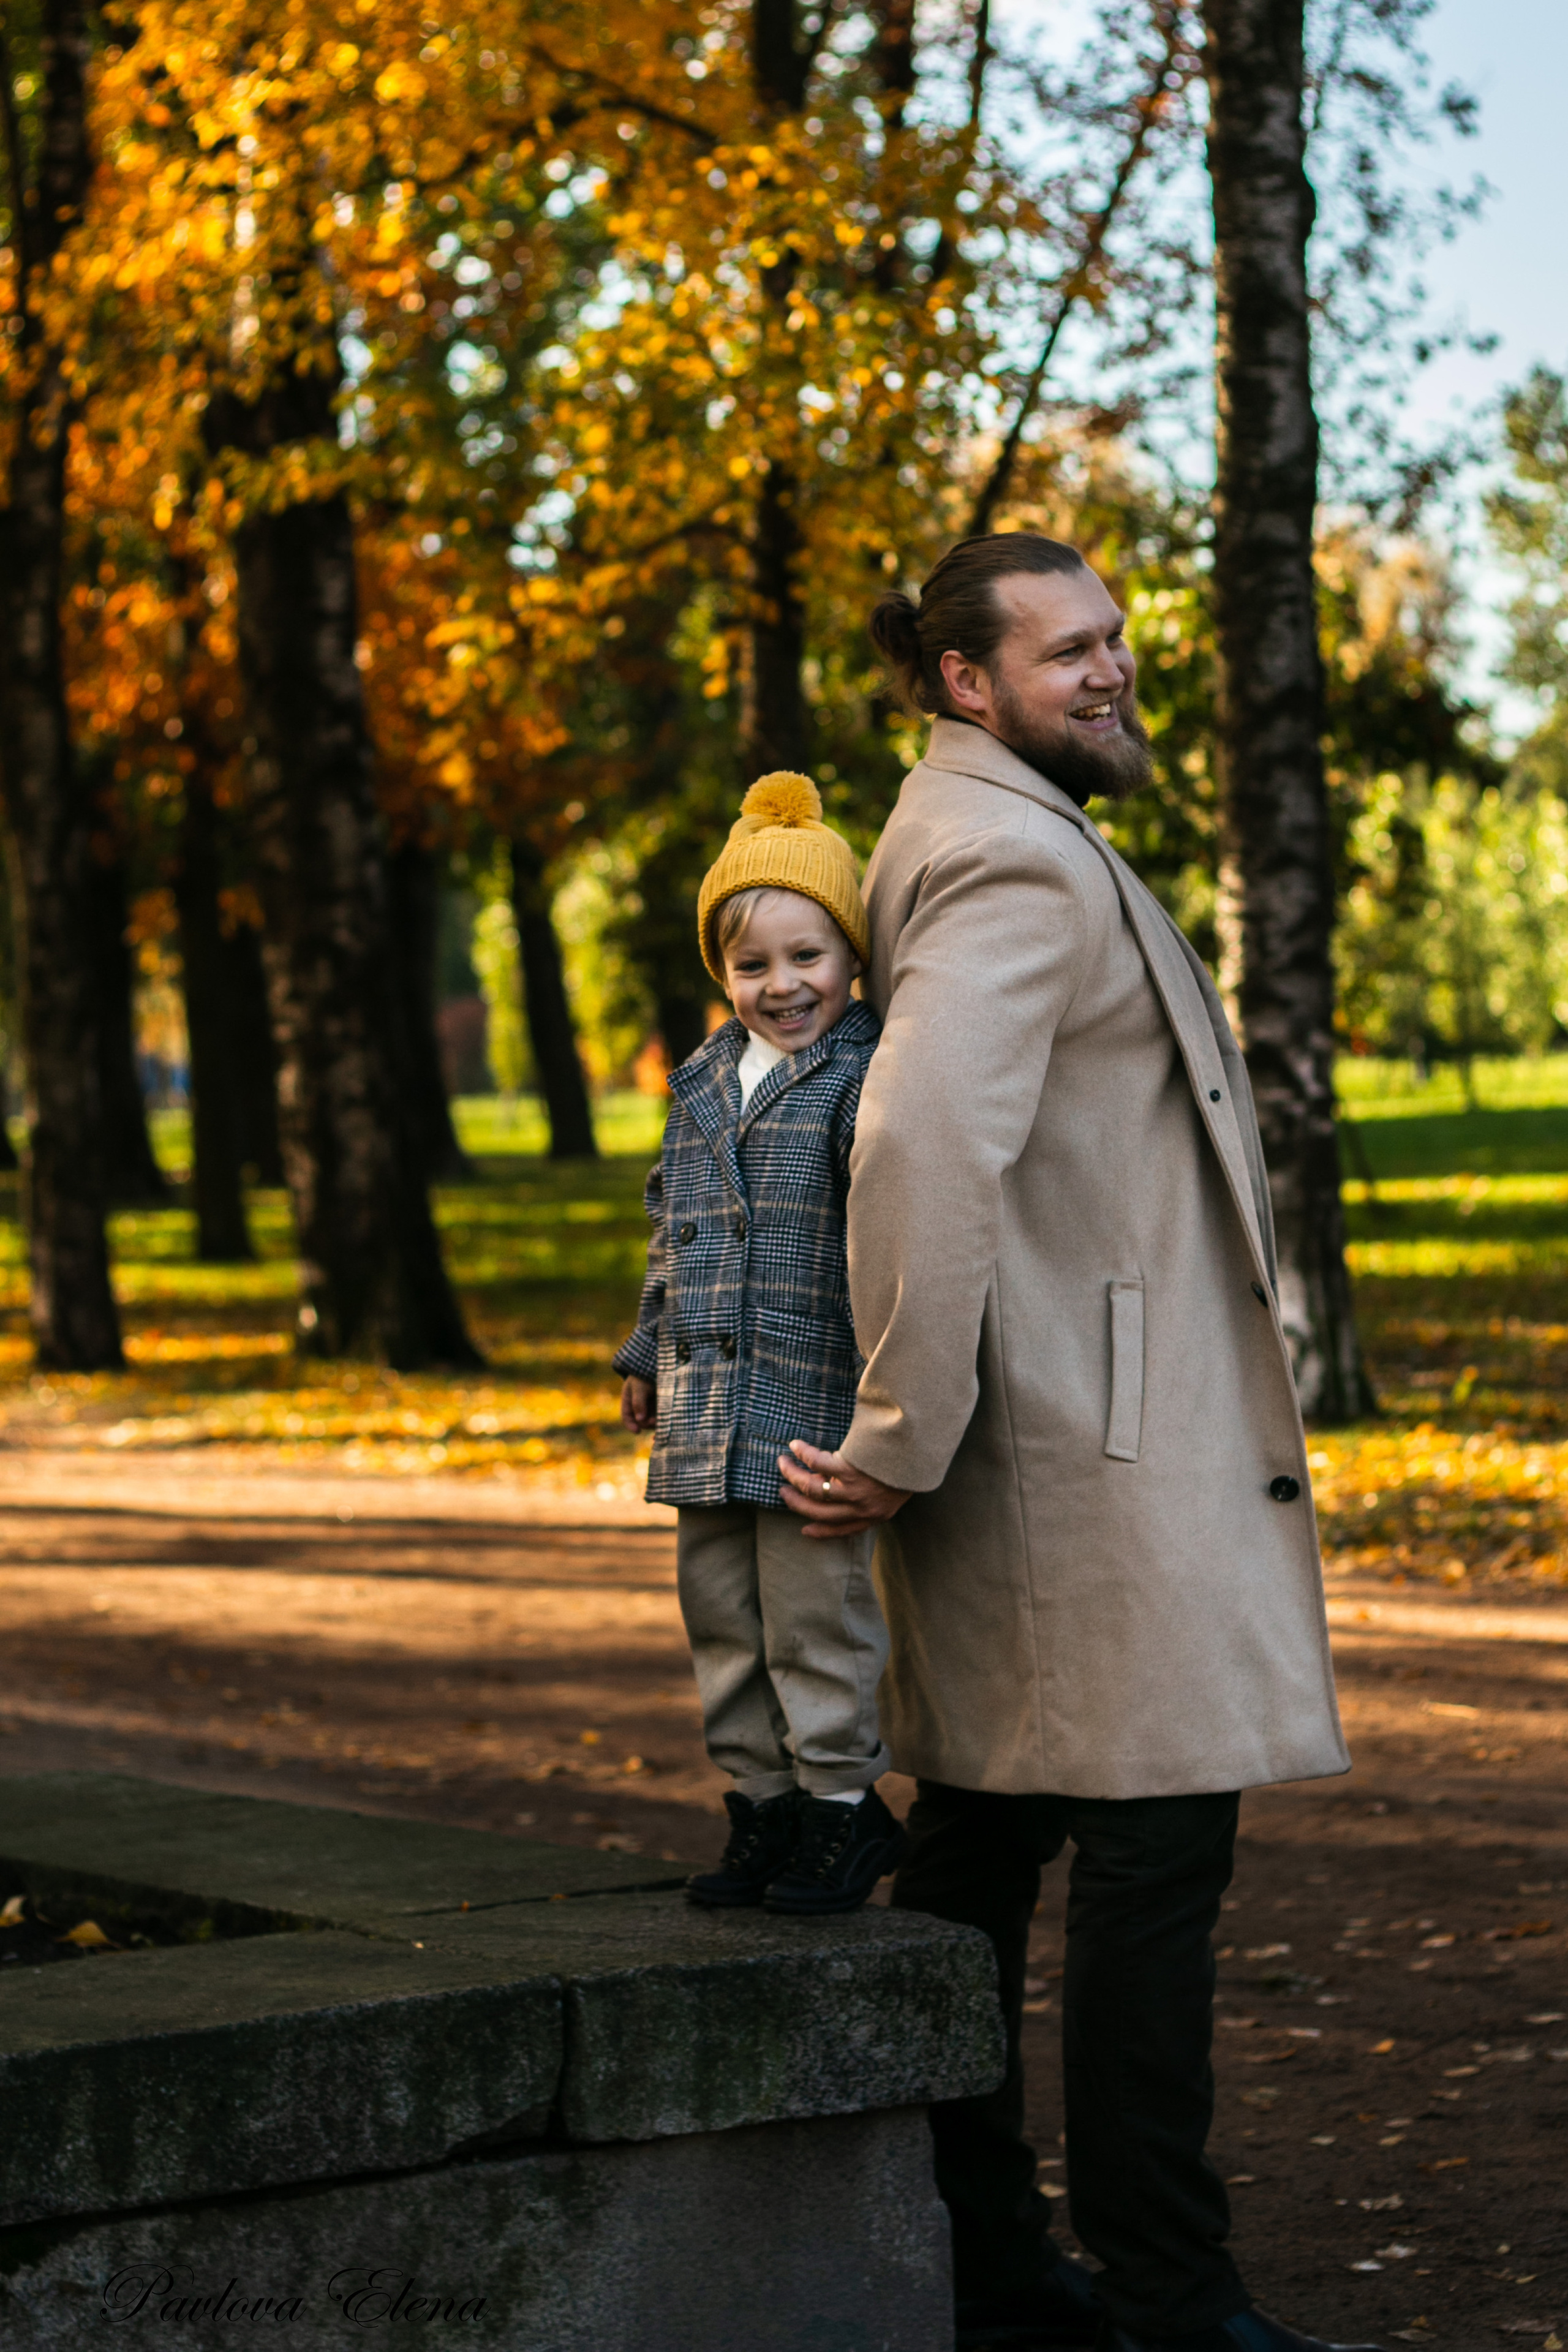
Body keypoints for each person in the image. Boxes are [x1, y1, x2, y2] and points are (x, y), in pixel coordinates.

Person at [775, 536, 1379, 2352]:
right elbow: (915, 1147)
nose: (1113, 669)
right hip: (1093, 1458)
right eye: (1070, 650)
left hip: (1065, 1442)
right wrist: (897, 1422)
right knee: (1147, 1859)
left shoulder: (984, 832)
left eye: (1115, 639)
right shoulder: (1004, 860)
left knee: (987, 1843)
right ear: (967, 680)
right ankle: (1169, 2302)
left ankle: (1001, 2272)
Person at [615, 772, 908, 1916]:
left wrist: (893, 1399)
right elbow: (672, 1224)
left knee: (812, 1620)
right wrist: (648, 1348)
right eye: (753, 966)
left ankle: (841, 1812)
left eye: (809, 957)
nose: (782, 986)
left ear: (852, 957)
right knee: (724, 1621)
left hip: (809, 1408)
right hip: (704, 1406)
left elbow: (895, 1245)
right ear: (721, 971)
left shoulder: (861, 1078)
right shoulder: (699, 1080)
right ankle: (763, 1806)